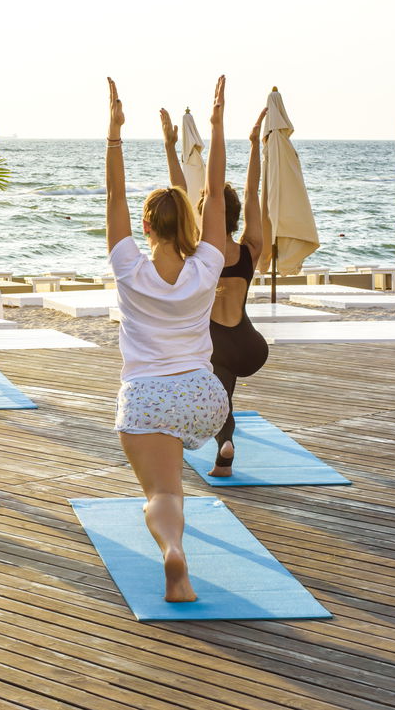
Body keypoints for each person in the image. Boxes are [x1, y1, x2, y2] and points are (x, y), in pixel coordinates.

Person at [106, 75, 230, 602]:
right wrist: (219, 125)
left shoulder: (130, 267)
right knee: (174, 472)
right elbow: (217, 193)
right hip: (205, 397)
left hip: (149, 395)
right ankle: (176, 548)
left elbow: (113, 192)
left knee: (161, 493)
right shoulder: (207, 264)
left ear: (146, 227)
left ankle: (172, 550)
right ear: (191, 223)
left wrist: (114, 133)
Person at [162, 108, 272, 477]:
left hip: (215, 344)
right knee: (225, 390)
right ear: (236, 217)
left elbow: (177, 195)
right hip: (251, 345)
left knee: (218, 395)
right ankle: (223, 446)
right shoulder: (250, 248)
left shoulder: (195, 253)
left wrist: (169, 146)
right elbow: (252, 189)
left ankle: (224, 441)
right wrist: (255, 145)